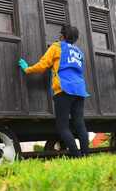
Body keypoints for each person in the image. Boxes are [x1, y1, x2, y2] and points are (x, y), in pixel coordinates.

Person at [18, 25, 90, 157]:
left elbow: (43, 65)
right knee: (79, 124)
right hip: (80, 89)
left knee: (63, 127)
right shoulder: (79, 52)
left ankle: (76, 156)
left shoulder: (57, 47)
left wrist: (27, 69)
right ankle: (85, 155)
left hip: (64, 89)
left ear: (62, 35)